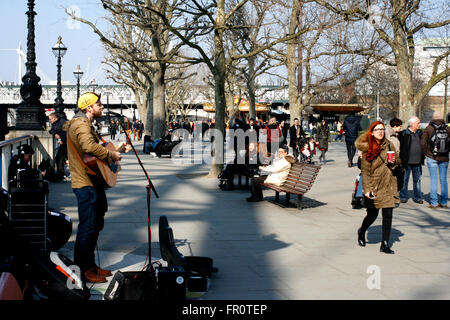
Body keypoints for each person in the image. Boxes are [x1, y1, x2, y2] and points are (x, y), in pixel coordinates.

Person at [64, 92, 131, 283]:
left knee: (95, 225)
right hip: (85, 183)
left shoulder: (85, 124)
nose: (102, 107)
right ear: (88, 108)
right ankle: (83, 270)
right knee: (88, 227)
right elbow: (89, 147)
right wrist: (112, 156)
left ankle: (91, 265)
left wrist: (115, 151)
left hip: (92, 181)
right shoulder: (81, 124)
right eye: (98, 104)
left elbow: (93, 153)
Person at [355, 121, 401, 254]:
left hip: (388, 183)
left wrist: (394, 161)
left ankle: (385, 244)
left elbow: (398, 160)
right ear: (372, 132)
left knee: (388, 214)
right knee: (372, 215)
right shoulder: (367, 147)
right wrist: (367, 189)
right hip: (374, 185)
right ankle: (362, 231)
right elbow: (365, 170)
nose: (380, 132)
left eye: (382, 129)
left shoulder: (389, 144)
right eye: (377, 130)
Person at [420, 110, 449, 209]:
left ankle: (434, 202)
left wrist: (426, 154)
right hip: (444, 157)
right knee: (443, 180)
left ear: (433, 117)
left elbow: (423, 143)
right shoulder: (447, 128)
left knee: (433, 179)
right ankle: (444, 202)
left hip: (432, 156)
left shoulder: (429, 128)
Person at [398, 116, 424, 204]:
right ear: (412, 124)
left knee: (417, 181)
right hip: (406, 162)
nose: (419, 125)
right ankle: (403, 196)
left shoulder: (420, 133)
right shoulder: (403, 134)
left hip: (417, 162)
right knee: (404, 180)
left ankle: (418, 197)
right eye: (418, 123)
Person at [48, 112, 68, 180]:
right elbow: (51, 131)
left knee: (60, 158)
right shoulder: (55, 123)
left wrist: (62, 139)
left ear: (54, 118)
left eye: (50, 119)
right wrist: (55, 134)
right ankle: (61, 174)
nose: (49, 121)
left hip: (67, 143)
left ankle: (62, 174)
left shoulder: (63, 122)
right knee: (59, 158)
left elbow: (68, 132)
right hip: (63, 143)